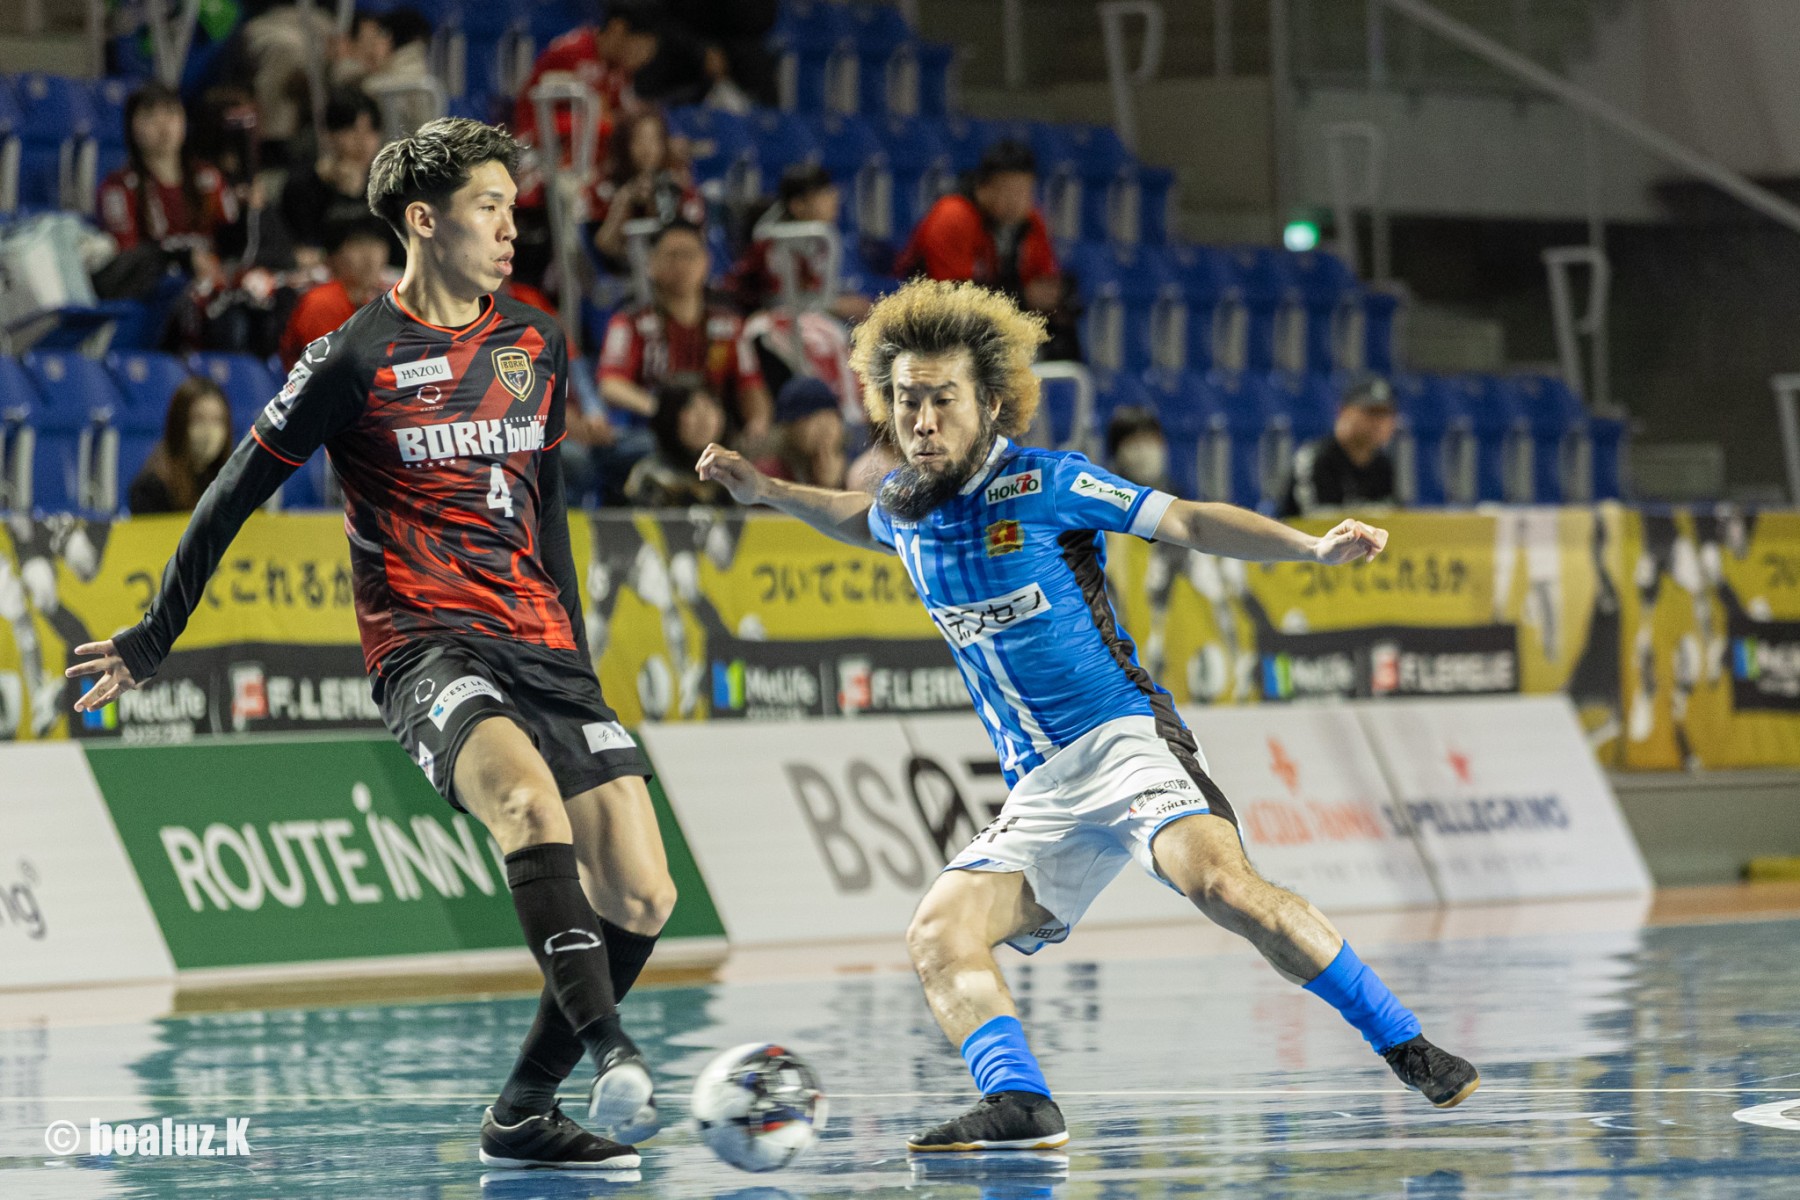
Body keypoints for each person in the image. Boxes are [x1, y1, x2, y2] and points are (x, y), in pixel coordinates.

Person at [697, 279, 1479, 1152]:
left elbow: (1188, 520)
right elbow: (853, 515)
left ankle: (1405, 1042)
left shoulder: (1048, 482)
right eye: (907, 401)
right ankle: (1021, 1102)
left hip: (1125, 743)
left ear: (992, 403)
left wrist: (1310, 547)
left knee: (1223, 888)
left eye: (943, 400)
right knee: (939, 932)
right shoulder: (904, 509)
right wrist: (763, 488)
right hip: (1040, 788)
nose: (922, 421)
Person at [67, 118, 673, 1173]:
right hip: (427, 647)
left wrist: (575, 658)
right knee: (528, 809)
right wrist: (155, 637)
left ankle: (523, 1112)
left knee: (645, 894)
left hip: (542, 643)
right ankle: (611, 1049)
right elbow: (228, 497)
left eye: (513, 208)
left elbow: (549, 512)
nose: (512, 228)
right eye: (491, 207)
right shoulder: (352, 357)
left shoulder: (537, 342)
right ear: (424, 221)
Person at [596, 220, 772, 442]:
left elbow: (751, 385)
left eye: (689, 255)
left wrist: (758, 423)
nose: (681, 265)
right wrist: (665, 411)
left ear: (706, 261)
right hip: (650, 435)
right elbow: (610, 384)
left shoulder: (729, 324)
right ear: (651, 264)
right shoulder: (628, 322)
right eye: (672, 256)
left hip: (713, 432)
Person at [895, 140, 1061, 318]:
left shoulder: (1031, 220)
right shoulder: (952, 215)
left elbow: (1044, 279)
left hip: (991, 314)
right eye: (1010, 191)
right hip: (925, 316)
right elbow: (951, 296)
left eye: (1025, 191)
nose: (1018, 202)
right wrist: (1022, 297)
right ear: (984, 187)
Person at [98, 81, 240, 272]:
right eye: (150, 116)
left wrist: (252, 211)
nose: (163, 125)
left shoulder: (209, 177)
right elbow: (127, 260)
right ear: (131, 127)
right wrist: (183, 259)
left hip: (216, 275)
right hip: (161, 283)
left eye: (171, 113)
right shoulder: (118, 187)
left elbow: (234, 240)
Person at [513, 0, 660, 165]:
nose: (644, 58)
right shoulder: (569, 52)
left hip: (588, 153)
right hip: (539, 146)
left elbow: (619, 116)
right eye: (641, 48)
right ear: (617, 29)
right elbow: (538, 112)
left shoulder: (621, 70)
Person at [727, 163, 870, 322]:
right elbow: (780, 302)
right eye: (823, 193)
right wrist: (836, 305)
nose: (834, 198)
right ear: (798, 205)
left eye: (831, 191)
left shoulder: (816, 240)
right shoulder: (775, 244)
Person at [280, 89, 399, 268]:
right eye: (352, 130)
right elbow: (302, 251)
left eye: (371, 130)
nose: (363, 141)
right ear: (329, 135)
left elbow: (397, 249)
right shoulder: (302, 185)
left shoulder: (387, 185)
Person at [588, 108, 707, 266]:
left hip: (673, 269)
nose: (648, 148)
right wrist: (623, 202)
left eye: (654, 139)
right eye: (639, 139)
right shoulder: (605, 187)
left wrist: (664, 204)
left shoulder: (677, 183)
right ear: (624, 143)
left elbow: (696, 241)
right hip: (621, 272)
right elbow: (603, 246)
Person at [277, 217, 393, 370]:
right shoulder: (322, 302)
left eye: (376, 244)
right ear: (331, 257)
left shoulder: (373, 301)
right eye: (358, 245)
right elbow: (333, 371)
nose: (370, 256)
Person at [1277, 376, 1399, 518]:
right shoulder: (1314, 459)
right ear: (1343, 411)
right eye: (1371, 412)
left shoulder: (1383, 465)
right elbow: (1312, 522)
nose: (1379, 422)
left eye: (1386, 413)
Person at [127, 377, 233, 514]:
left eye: (217, 420)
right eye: (198, 419)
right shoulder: (151, 488)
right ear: (179, 424)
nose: (209, 431)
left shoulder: (234, 481)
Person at [622, 383, 734, 507]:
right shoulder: (649, 475)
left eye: (709, 406)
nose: (704, 418)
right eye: (691, 407)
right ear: (670, 416)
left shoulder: (732, 474)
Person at [757, 376, 845, 489]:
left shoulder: (852, 455)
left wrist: (836, 483)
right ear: (789, 427)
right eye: (812, 419)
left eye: (830, 417)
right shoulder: (770, 471)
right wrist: (825, 487)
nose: (825, 429)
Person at [1105, 406, 1170, 492]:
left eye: (1149, 442)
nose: (1144, 453)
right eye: (1133, 444)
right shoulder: (1104, 496)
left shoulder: (1177, 496)